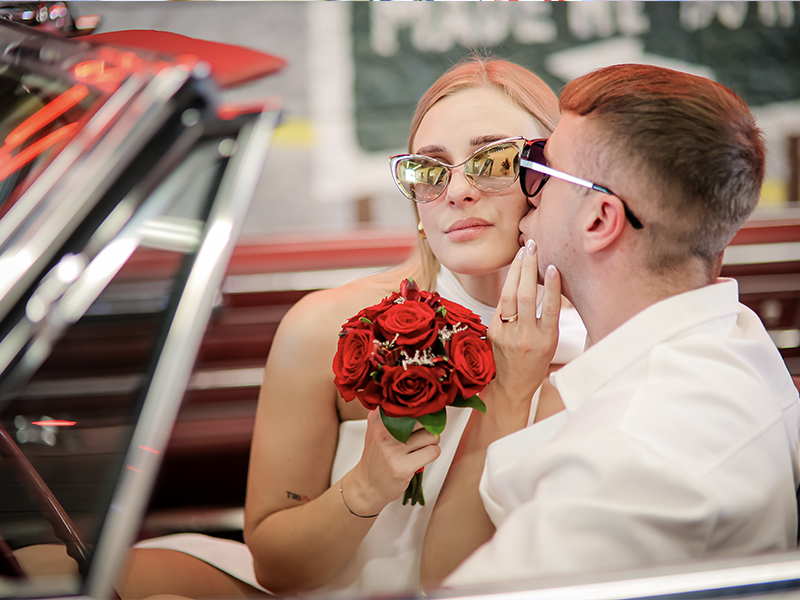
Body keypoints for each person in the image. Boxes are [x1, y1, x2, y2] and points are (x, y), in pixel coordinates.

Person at [118, 57, 587, 599]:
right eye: (430, 170)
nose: (456, 191)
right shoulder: (331, 327)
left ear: (548, 175)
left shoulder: (606, 332)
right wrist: (366, 486)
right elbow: (275, 564)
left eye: (494, 160)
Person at [420, 63, 800, 590]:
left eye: (541, 167)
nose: (526, 190)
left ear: (599, 220)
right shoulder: (733, 331)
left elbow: (451, 587)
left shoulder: (629, 464)